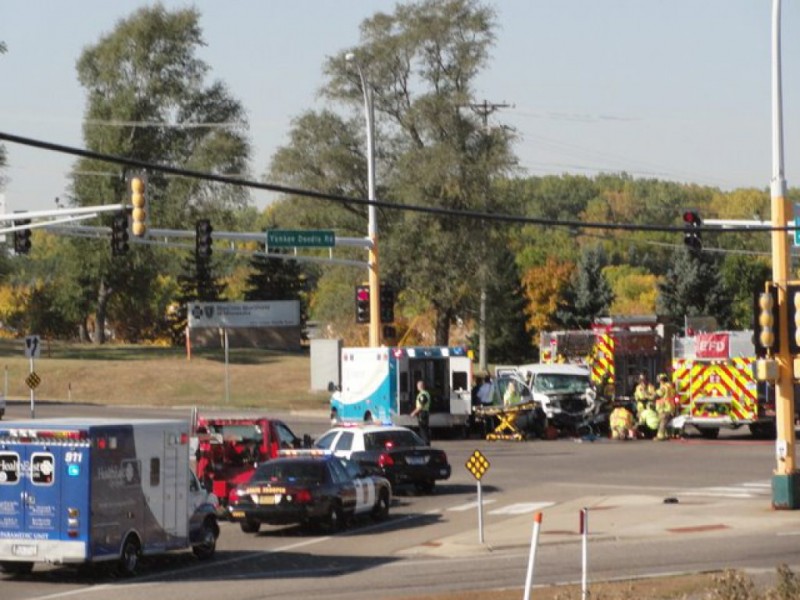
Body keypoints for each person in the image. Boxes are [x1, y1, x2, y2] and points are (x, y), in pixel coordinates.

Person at [655, 373, 677, 441]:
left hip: (665, 408)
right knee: (666, 422)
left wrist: (650, 396)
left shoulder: (663, 387)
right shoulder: (670, 386)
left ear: (661, 380)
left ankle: (660, 436)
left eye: (659, 379)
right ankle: (667, 435)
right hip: (670, 407)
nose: (658, 381)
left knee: (662, 422)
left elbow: (658, 394)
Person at [410, 380, 431, 444]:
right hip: (424, 413)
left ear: (421, 386)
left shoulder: (423, 394)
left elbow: (421, 405)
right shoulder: (425, 393)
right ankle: (426, 443)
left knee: (423, 431)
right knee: (424, 430)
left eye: (418, 385)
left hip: (422, 414)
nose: (417, 387)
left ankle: (426, 444)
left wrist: (414, 412)